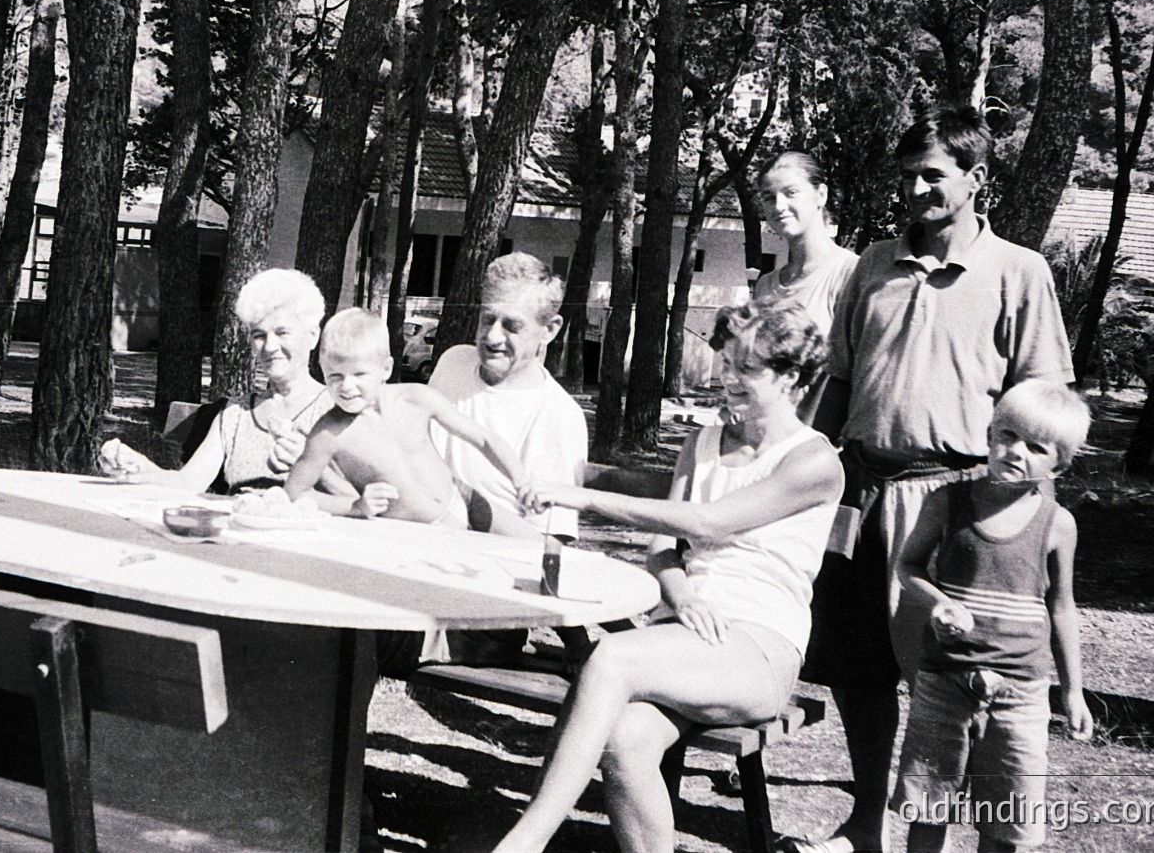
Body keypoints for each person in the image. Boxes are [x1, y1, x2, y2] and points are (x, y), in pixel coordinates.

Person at [795, 108, 1076, 853]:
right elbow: (839, 383)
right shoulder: (872, 265)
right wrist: (801, 470)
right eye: (909, 174)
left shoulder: (1019, 272)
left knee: (954, 684)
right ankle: (864, 826)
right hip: (860, 493)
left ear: (977, 180)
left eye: (935, 175)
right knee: (859, 672)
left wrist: (1017, 514)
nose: (917, 188)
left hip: (956, 499)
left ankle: (958, 834)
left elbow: (1045, 408)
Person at [492, 300, 843, 853]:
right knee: (627, 738)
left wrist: (583, 497)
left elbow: (707, 522)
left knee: (609, 657)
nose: (728, 379)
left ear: (791, 378)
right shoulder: (702, 441)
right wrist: (681, 594)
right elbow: (662, 550)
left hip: (759, 647)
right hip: (684, 636)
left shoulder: (814, 462)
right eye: (726, 362)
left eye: (746, 370)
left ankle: (524, 844)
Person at [891, 380, 1092, 853]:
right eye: (1007, 435)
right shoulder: (946, 502)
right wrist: (937, 602)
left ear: (1058, 464)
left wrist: (1074, 690)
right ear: (989, 432)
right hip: (944, 681)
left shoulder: (1057, 523)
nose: (1015, 451)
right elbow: (908, 565)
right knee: (927, 803)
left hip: (1021, 691)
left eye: (1036, 447)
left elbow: (1061, 605)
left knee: (1007, 815)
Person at [283, 308, 532, 526]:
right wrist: (354, 507)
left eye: (359, 374)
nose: (347, 386)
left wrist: (520, 482)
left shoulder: (415, 398)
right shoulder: (328, 432)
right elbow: (294, 493)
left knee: (532, 547)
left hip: (463, 499)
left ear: (386, 369)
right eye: (334, 376)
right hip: (418, 530)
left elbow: (484, 439)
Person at [97, 268, 336, 494]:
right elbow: (189, 482)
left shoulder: (336, 411)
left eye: (282, 333)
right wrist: (139, 467)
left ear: (312, 336)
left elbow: (361, 501)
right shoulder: (236, 413)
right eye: (259, 335)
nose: (270, 346)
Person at [429, 252, 587, 541]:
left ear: (549, 330)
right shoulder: (453, 363)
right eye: (487, 319)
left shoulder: (559, 416)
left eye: (512, 326)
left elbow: (550, 542)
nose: (492, 337)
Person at [753, 152, 859, 421]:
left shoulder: (850, 273)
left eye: (791, 193)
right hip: (769, 438)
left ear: (820, 195)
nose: (778, 206)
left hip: (824, 442)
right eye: (768, 197)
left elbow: (858, 374)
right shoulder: (766, 286)